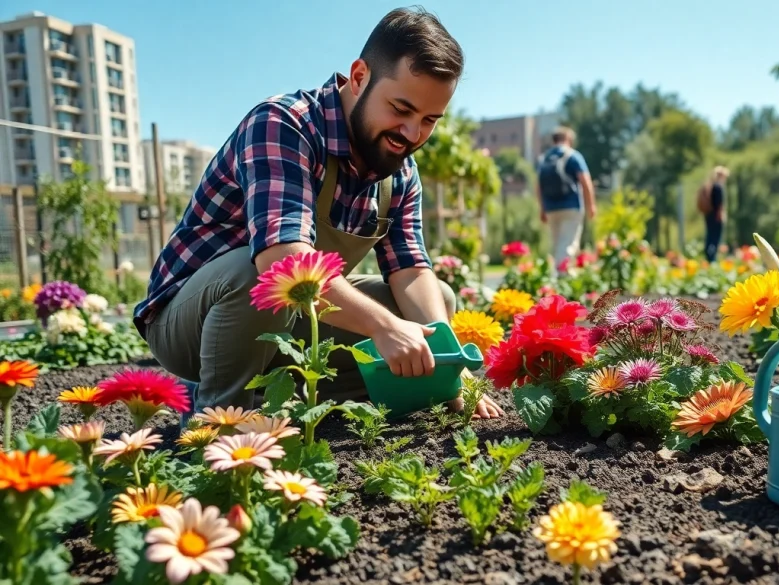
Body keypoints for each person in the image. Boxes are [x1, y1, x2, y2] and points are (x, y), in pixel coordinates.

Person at [133, 7, 504, 421]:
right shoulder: (284, 125)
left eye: (429, 120)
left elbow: (411, 270)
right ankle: (218, 414)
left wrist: (447, 360)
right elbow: (283, 260)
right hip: (189, 322)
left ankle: (295, 399)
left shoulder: (399, 170)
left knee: (437, 305)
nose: (412, 134)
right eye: (400, 109)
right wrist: (382, 328)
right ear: (360, 76)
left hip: (296, 317)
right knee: (264, 275)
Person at [536, 127, 596, 266]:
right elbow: (585, 182)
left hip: (551, 208)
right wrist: (590, 205)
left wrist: (542, 209)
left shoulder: (544, 159)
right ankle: (562, 277)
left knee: (558, 245)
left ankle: (561, 274)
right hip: (571, 206)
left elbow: (538, 186)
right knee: (568, 244)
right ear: (568, 139)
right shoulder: (573, 156)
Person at [702, 166, 729, 262]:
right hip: (716, 217)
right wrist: (721, 216)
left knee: (709, 235)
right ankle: (711, 258)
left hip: (709, 215)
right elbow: (719, 205)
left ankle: (709, 256)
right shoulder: (718, 187)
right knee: (715, 238)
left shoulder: (710, 186)